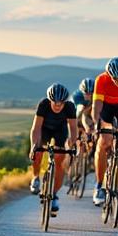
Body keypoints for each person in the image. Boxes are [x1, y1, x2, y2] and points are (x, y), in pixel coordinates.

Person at [29, 82, 79, 215]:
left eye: (61, 103)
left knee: (60, 159)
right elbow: (36, 128)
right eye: (55, 102)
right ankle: (35, 177)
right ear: (50, 100)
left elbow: (73, 129)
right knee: (37, 152)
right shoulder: (43, 105)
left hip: (59, 131)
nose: (58, 105)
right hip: (44, 129)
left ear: (64, 102)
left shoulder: (69, 107)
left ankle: (54, 194)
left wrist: (72, 145)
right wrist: (34, 146)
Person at [91, 56, 118, 207]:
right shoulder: (102, 80)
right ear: (109, 75)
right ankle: (99, 185)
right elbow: (96, 107)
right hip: (106, 108)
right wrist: (98, 124)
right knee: (103, 142)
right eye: (114, 78)